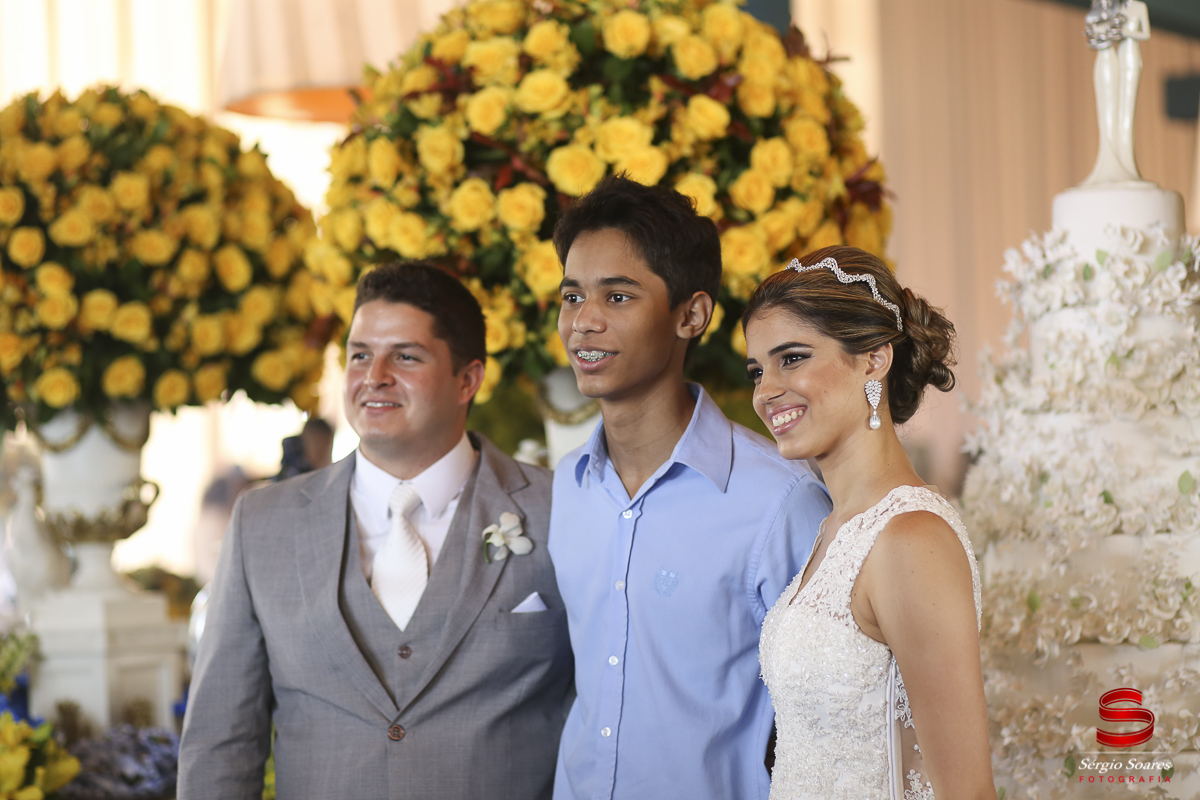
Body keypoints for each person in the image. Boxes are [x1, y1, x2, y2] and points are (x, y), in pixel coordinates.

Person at [179, 262, 573, 799]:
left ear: (468, 380)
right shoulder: (261, 524)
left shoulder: (563, 511)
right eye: (359, 354)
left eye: (405, 356)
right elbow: (220, 744)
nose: (374, 376)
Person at [548, 175, 831, 800]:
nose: (584, 323)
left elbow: (823, 722)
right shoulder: (567, 486)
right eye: (572, 296)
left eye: (618, 297)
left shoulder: (778, 503)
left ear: (691, 314)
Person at [744, 246, 995, 800]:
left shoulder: (911, 539)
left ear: (874, 359)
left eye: (792, 358)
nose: (765, 390)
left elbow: (968, 791)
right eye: (757, 369)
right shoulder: (834, 527)